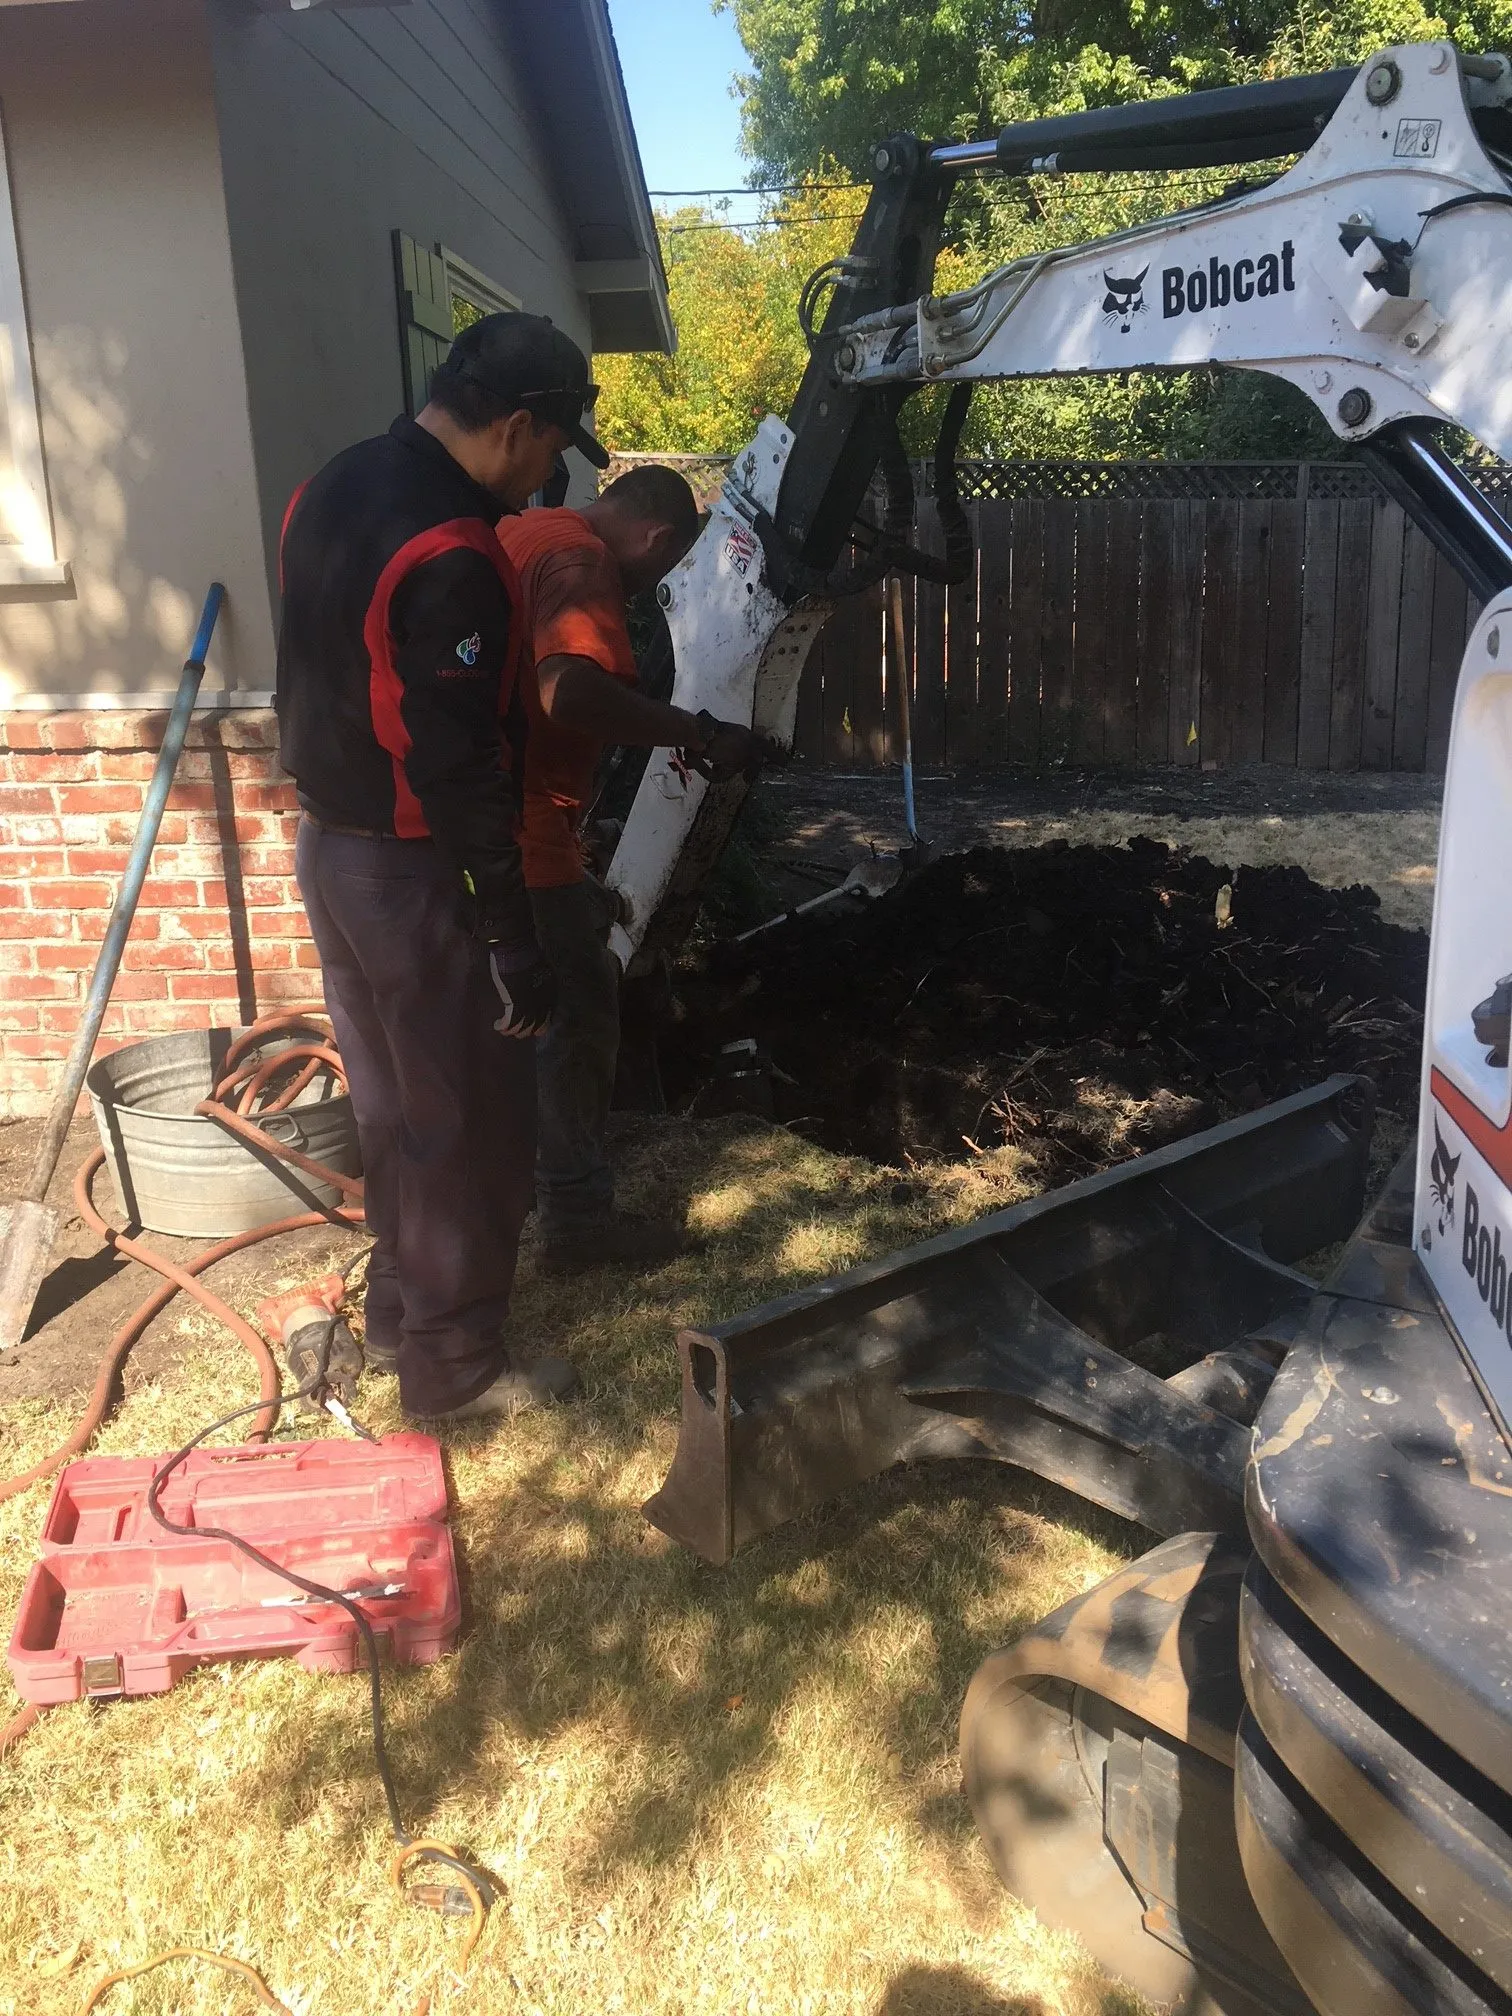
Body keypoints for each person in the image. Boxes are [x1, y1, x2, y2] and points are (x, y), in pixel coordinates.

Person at [276, 311, 606, 1422]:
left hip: (327, 848)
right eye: (555, 445)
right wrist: (511, 934)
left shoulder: (330, 486)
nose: (554, 472)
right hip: (414, 875)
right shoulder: (453, 552)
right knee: (466, 1116)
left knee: (393, 1108)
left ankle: (393, 1320)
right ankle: (456, 1371)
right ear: (516, 425)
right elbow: (460, 764)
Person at [498, 467, 770, 1272]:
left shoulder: (526, 532)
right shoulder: (582, 564)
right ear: (656, 540)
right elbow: (568, 692)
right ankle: (577, 1225)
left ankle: (512, 1189)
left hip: (485, 825)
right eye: (663, 568)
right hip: (527, 832)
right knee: (581, 1014)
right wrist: (692, 731)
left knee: (514, 1023)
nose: (653, 587)